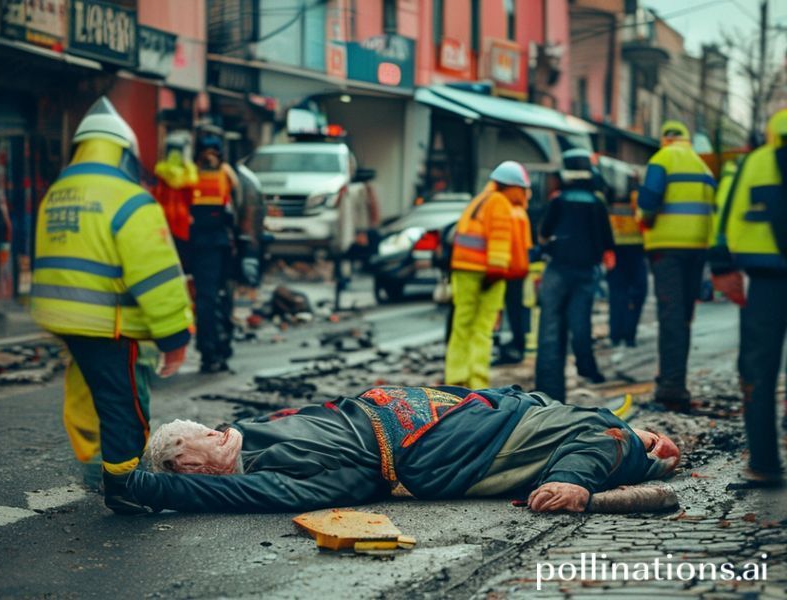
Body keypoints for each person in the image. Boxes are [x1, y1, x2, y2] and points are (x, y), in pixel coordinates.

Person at [122, 385, 680, 513]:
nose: (219, 432)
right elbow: (252, 493)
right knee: (601, 432)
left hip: (482, 418)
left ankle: (634, 442)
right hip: (463, 439)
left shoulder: (257, 430)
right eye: (207, 438)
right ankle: (632, 445)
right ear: (196, 464)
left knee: (604, 430)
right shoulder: (270, 457)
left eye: (211, 429)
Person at [30, 97, 193, 514]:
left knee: (88, 392)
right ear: (125, 152)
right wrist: (175, 335)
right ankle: (124, 484)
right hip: (109, 323)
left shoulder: (57, 193)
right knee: (126, 402)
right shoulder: (129, 199)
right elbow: (156, 277)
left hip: (62, 318)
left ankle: (92, 463)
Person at [710, 109, 787, 489]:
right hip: (767, 275)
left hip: (768, 279)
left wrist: (723, 266)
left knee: (757, 368)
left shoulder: (756, 162)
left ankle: (764, 462)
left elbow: (727, 218)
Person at [637, 121, 716, 413]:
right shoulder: (703, 167)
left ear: (665, 139)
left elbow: (648, 202)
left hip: (666, 248)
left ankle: (671, 387)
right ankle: (675, 381)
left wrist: (646, 220)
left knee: (670, 315)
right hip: (697, 250)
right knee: (683, 316)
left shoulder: (662, 159)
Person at [535, 149, 615, 402]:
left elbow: (544, 233)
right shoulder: (597, 202)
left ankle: (549, 390)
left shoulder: (558, 200)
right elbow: (607, 244)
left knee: (550, 329)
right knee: (580, 325)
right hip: (585, 272)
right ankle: (586, 366)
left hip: (557, 270)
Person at [445, 162, 532, 388]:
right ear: (513, 187)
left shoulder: (480, 199)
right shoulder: (500, 203)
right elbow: (500, 239)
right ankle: (477, 381)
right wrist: (496, 272)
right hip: (486, 272)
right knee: (483, 328)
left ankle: (456, 378)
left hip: (463, 268)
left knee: (461, 324)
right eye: (522, 189)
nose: (524, 195)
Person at [191, 127, 239, 373]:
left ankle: (211, 349)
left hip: (198, 244)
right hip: (215, 245)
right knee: (215, 299)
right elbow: (239, 211)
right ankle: (215, 349)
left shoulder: (190, 175)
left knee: (208, 299)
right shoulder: (227, 174)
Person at [607, 171, 648, 352]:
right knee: (634, 295)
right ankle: (626, 336)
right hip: (635, 252)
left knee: (618, 295)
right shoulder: (637, 199)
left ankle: (618, 335)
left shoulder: (609, 200)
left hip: (618, 253)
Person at [497, 176, 534, 365]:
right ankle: (518, 346)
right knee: (517, 310)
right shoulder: (522, 212)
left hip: (507, 268)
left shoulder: (507, 212)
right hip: (520, 268)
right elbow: (527, 244)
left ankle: (511, 348)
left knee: (506, 311)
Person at [152, 131, 198, 269]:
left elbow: (155, 196)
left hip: (163, 221)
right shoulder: (189, 175)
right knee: (181, 260)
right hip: (182, 223)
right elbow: (192, 199)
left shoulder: (160, 173)